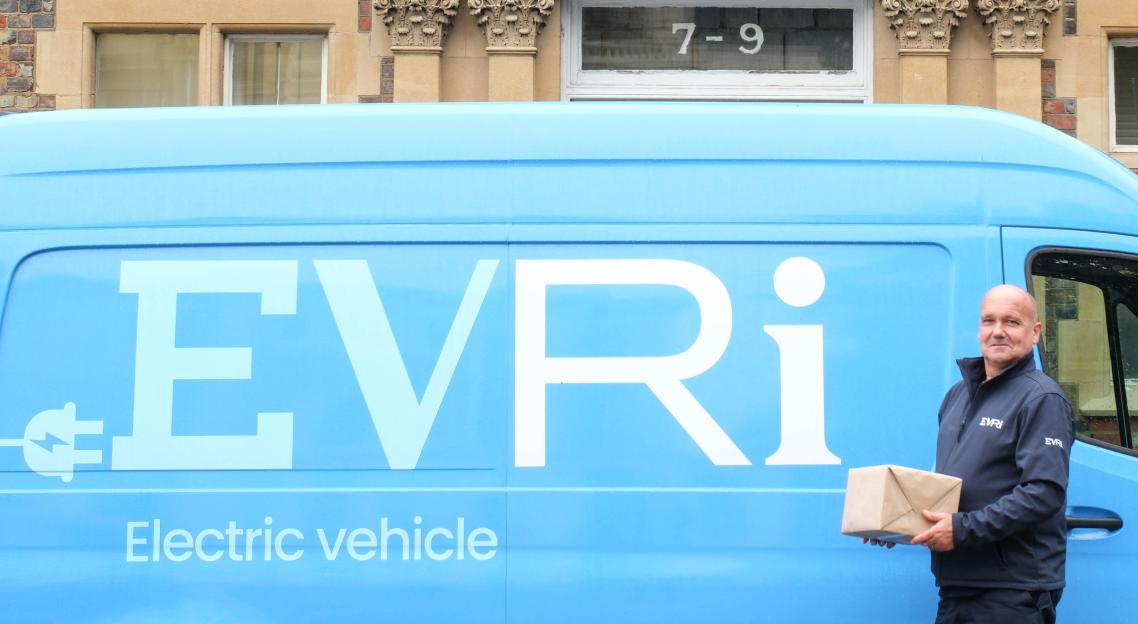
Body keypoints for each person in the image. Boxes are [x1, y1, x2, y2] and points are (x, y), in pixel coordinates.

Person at [869, 285, 1074, 623]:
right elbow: (949, 490)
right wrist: (897, 525)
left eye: (1011, 322)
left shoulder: (1042, 399)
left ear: (1035, 332)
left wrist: (961, 530)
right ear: (979, 329)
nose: (998, 331)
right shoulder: (957, 396)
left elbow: (1044, 492)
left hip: (1011, 592)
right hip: (957, 584)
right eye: (989, 321)